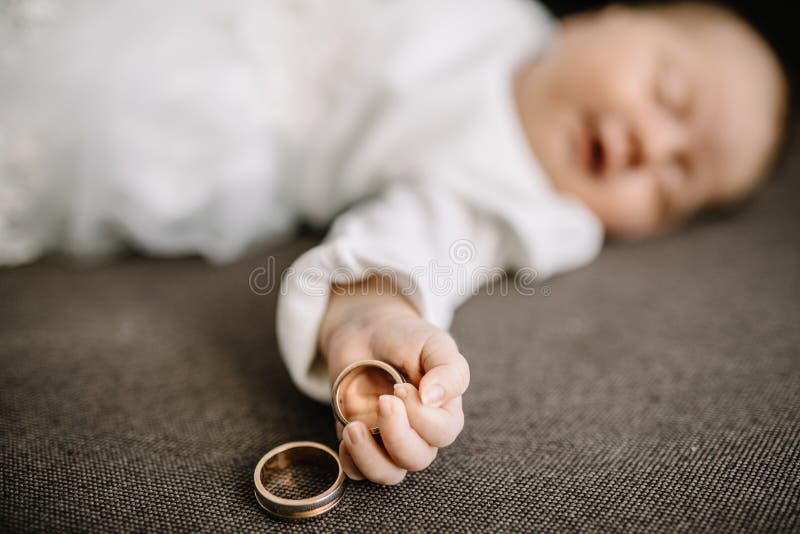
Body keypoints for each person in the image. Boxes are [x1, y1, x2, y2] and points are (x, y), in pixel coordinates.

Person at [0, 0, 788, 485]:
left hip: (204, 121)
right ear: (601, 19)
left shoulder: (528, 201)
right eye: (668, 92)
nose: (652, 142)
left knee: (60, 118)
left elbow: (430, 244)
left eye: (679, 178)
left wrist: (372, 319)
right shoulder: (507, 18)